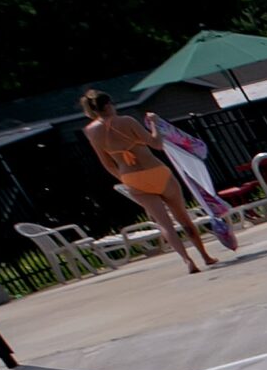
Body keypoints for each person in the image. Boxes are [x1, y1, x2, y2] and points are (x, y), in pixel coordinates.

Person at [79, 90, 217, 274]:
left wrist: (126, 179)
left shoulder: (91, 131)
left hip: (131, 177)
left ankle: (187, 261)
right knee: (182, 217)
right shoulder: (127, 121)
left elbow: (107, 164)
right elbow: (156, 144)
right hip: (156, 171)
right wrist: (154, 124)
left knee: (164, 224)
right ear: (108, 105)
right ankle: (205, 256)